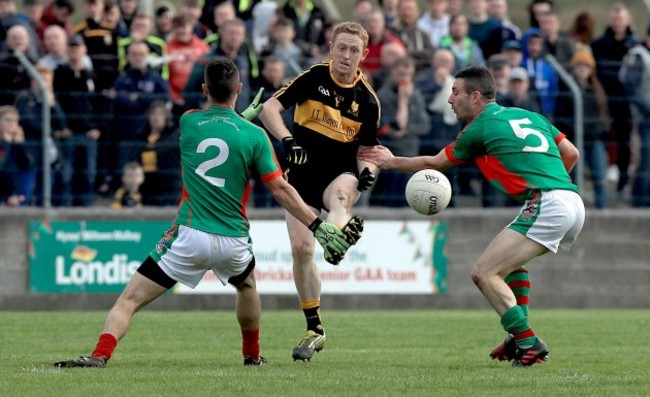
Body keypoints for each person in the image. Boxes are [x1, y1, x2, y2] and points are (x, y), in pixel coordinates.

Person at [53, 57, 352, 369]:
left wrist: (236, 118)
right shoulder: (255, 136)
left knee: (128, 301)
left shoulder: (189, 121)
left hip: (190, 235)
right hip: (233, 240)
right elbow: (280, 189)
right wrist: (316, 224)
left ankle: (100, 355)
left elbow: (217, 130)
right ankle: (252, 356)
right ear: (239, 88)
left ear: (204, 89)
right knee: (247, 286)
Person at [358, 66, 585, 367]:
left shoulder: (479, 127)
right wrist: (548, 184)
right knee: (510, 267)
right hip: (572, 201)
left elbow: (435, 162)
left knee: (483, 273)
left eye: (455, 92)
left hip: (548, 203)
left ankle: (528, 340)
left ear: (475, 96)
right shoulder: (529, 116)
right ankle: (518, 339)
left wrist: (390, 161)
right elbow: (571, 153)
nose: (450, 99)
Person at [258, 21, 380, 362]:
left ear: (364, 55)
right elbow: (269, 110)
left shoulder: (368, 101)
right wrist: (287, 139)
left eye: (354, 50)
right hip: (301, 177)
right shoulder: (312, 77)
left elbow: (369, 152)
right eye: (341, 48)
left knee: (343, 195)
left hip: (340, 174)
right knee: (299, 249)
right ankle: (315, 328)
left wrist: (368, 173)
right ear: (331, 47)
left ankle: (336, 240)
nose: (346, 55)